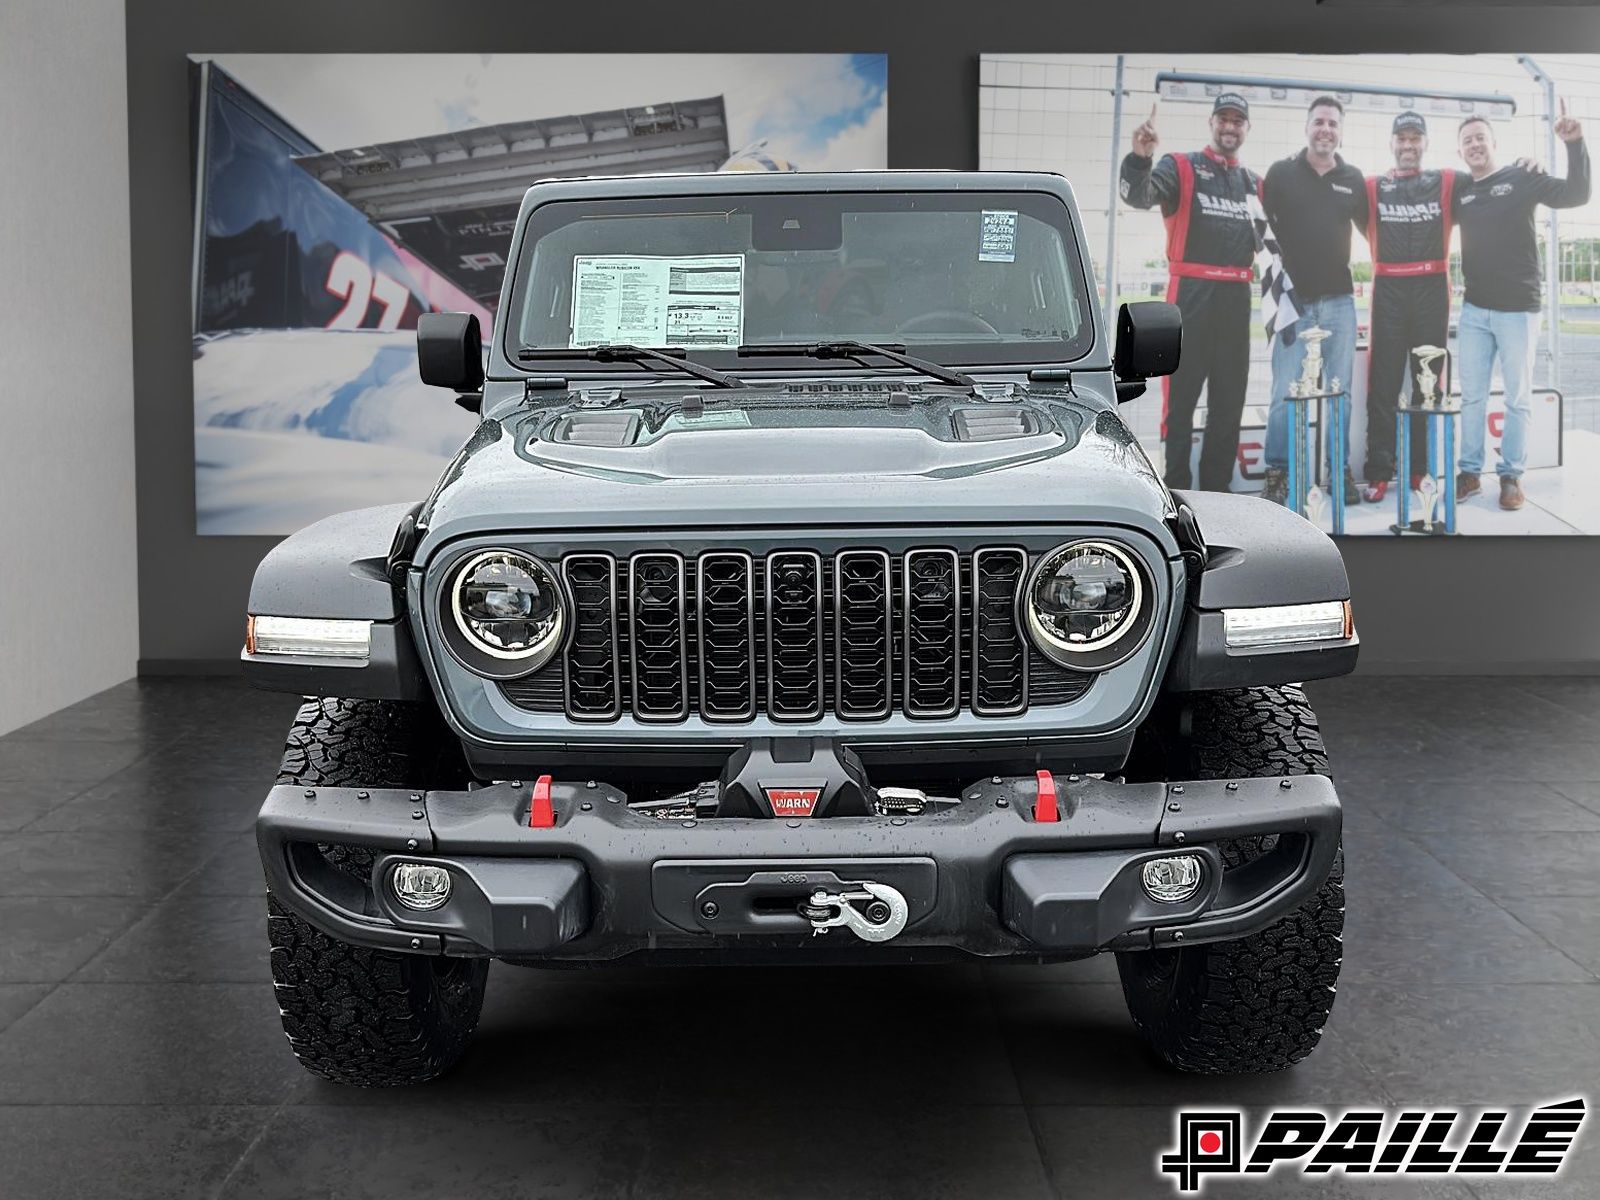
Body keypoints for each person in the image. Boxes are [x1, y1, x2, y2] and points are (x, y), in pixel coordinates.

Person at [1119, 93, 1259, 492]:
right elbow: (1138, 195)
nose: (1230, 127)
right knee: (1180, 405)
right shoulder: (1180, 165)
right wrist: (1140, 158)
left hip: (1237, 299)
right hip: (1190, 296)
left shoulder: (1254, 183)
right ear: (1211, 123)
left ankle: (1219, 493)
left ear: (1247, 128)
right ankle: (1176, 491)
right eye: (1223, 119)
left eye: (1238, 120)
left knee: (1228, 406)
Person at [1453, 104, 1589, 511]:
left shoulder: (1522, 176)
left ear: (1493, 142)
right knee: (1472, 398)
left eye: (1480, 136)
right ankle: (1470, 472)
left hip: (1518, 310)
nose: (1475, 144)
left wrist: (1574, 143)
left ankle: (1511, 476)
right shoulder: (1459, 190)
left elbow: (1576, 195)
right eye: (1467, 140)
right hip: (1474, 311)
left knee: (1518, 398)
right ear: (1460, 152)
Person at [1260, 96, 1367, 507]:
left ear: (1340, 131)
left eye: (1333, 124)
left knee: (1338, 391)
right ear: (1307, 126)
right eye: (1319, 122)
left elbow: (1376, 232)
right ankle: (1278, 472)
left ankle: (1337, 470)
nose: (1326, 129)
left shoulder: (1353, 178)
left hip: (1340, 300)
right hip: (1292, 301)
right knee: (1286, 391)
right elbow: (1259, 235)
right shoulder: (1282, 173)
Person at [1360, 112, 1459, 503]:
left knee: (1426, 385)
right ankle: (1380, 470)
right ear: (1391, 143)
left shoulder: (1447, 181)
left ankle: (1420, 469)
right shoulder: (1371, 186)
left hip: (1432, 288)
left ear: (1425, 143)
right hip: (1388, 288)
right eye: (1401, 138)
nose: (1407, 145)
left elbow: (1488, 187)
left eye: (1415, 138)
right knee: (1382, 384)